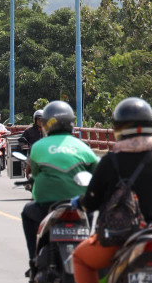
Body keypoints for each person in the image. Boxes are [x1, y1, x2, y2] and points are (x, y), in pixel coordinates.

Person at [73, 97, 152, 283]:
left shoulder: (110, 161)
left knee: (80, 258)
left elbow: (91, 202)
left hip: (120, 235)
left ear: (118, 128)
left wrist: (81, 202)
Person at [21, 101, 98, 272]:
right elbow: (98, 172)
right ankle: (87, 244)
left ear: (46, 123)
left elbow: (33, 171)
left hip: (46, 204)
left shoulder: (39, 146)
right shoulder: (82, 147)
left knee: (27, 213)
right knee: (92, 214)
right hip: (79, 204)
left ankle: (33, 259)